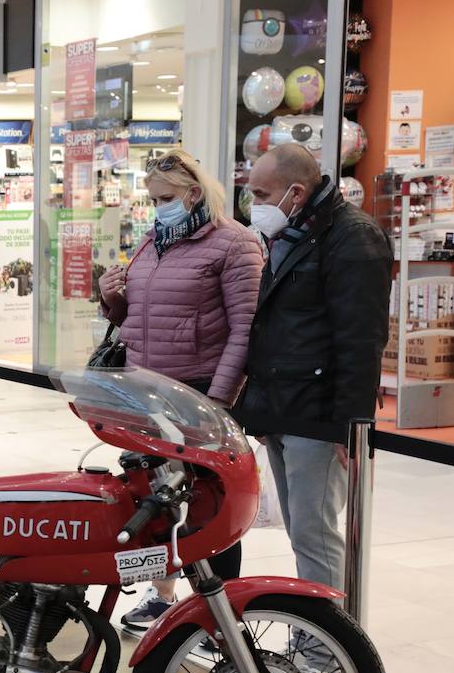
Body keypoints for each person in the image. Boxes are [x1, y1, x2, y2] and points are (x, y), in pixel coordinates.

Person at [97, 148, 263, 631]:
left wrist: (218, 400)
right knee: (155, 502)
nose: (157, 207)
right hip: (146, 393)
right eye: (152, 199)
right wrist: (113, 298)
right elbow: (137, 317)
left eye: (165, 197)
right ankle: (163, 597)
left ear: (193, 193)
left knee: (209, 511)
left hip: (198, 394)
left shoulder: (235, 245)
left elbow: (244, 328)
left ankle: (222, 618)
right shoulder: (154, 241)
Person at [237, 143, 392, 592]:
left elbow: (362, 337)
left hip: (319, 415)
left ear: (297, 192)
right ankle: (317, 636)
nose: (255, 205)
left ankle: (325, 650)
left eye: (262, 194)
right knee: (299, 530)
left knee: (314, 534)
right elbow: (274, 325)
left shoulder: (353, 236)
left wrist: (351, 423)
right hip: (283, 406)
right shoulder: (290, 235)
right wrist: (259, 409)